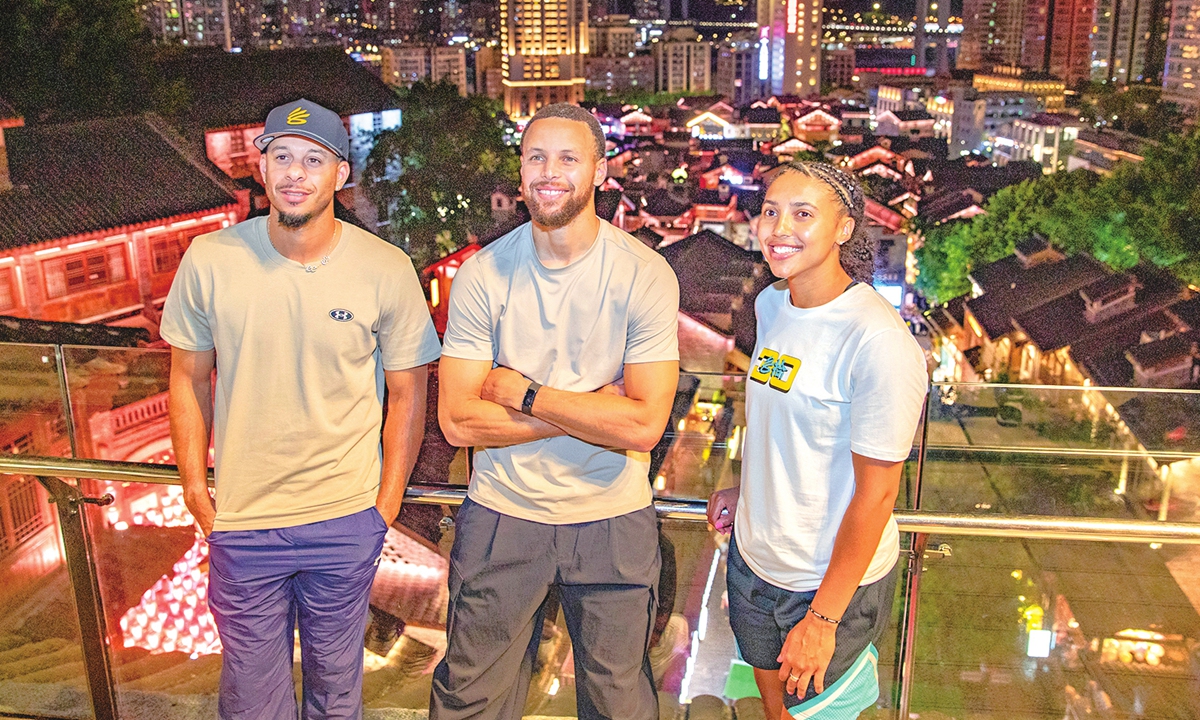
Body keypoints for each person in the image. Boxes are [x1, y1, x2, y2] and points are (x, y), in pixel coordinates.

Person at [162, 98, 441, 719]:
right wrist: (195, 493)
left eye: (314, 159)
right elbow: (187, 378)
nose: (295, 172)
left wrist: (385, 505)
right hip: (243, 519)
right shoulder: (210, 260)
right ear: (260, 168)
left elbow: (409, 394)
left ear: (341, 173)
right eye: (281, 156)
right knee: (250, 701)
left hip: (345, 517)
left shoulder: (384, 267)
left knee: (338, 693)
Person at [430, 103, 680, 720]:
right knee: (469, 697)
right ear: (519, 174)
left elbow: (645, 427)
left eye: (568, 157)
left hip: (613, 518)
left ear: (598, 170)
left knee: (619, 700)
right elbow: (458, 421)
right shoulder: (483, 275)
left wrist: (525, 395)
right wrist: (594, 409)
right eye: (535, 157)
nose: (549, 171)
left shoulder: (644, 274)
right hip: (501, 515)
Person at [707, 161, 927, 720]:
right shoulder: (772, 304)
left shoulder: (877, 341)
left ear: (845, 228)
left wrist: (824, 619)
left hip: (827, 585)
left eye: (803, 213)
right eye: (771, 211)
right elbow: (784, 421)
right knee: (776, 713)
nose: (780, 228)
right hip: (754, 561)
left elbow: (877, 496)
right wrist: (750, 489)